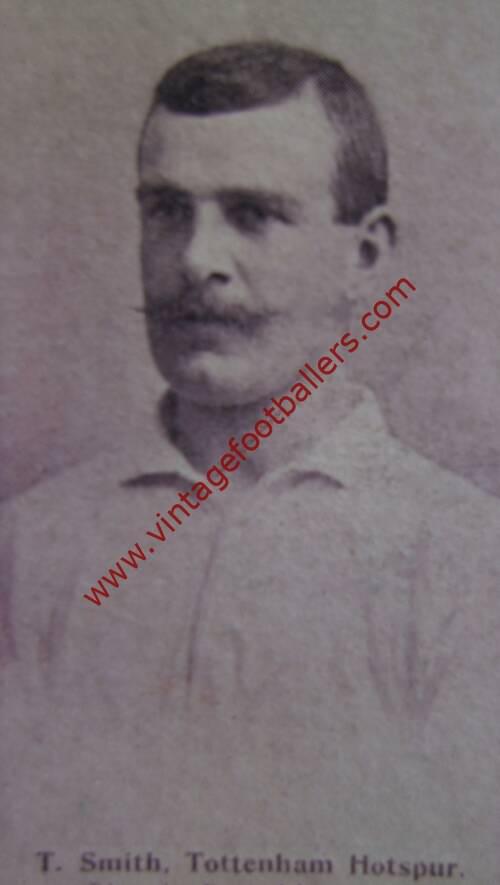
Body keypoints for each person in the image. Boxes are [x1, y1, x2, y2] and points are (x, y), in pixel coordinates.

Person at [2, 41, 500, 880]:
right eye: (167, 210)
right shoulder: (30, 545)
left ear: (366, 257)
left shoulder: (466, 561)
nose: (196, 260)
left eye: (253, 213)